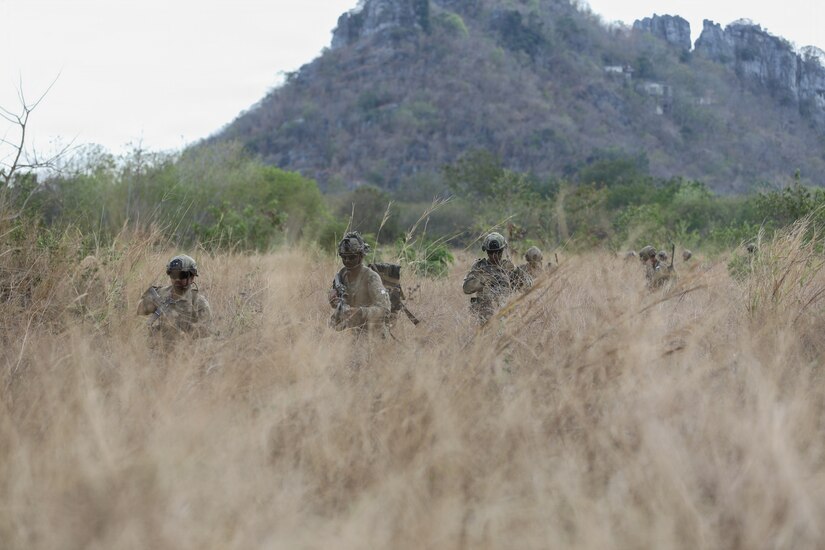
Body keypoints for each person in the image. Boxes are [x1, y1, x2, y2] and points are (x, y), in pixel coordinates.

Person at [137, 254, 212, 346]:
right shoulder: (160, 293)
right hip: (157, 349)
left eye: (182, 275)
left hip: (185, 352)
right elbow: (138, 312)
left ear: (192, 277)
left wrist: (181, 331)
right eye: (173, 274)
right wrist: (148, 304)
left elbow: (205, 334)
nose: (177, 279)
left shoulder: (199, 304)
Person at [328, 232, 391, 338]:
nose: (347, 261)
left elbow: (385, 310)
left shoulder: (371, 277)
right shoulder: (342, 275)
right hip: (349, 331)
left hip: (372, 334)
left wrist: (360, 311)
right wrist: (333, 298)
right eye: (344, 257)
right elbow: (338, 304)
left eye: (352, 257)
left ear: (361, 256)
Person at [463, 232, 532, 324]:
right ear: (486, 251)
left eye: (498, 252)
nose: (494, 255)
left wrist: (516, 270)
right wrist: (483, 278)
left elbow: (528, 286)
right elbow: (466, 288)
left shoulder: (508, 267)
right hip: (485, 316)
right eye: (491, 252)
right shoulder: (479, 267)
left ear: (502, 250)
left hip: (506, 315)